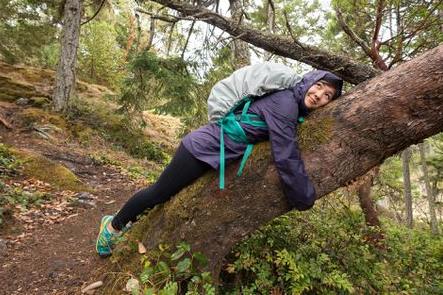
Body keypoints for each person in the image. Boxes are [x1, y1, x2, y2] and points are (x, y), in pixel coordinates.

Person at [96, 67, 343, 257]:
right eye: (319, 86)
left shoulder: (293, 107)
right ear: (309, 81)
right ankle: (112, 226)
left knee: (168, 196)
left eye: (327, 96)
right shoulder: (286, 103)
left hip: (215, 153)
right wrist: (305, 198)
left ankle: (127, 224)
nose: (319, 95)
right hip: (201, 149)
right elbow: (286, 156)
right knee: (158, 194)